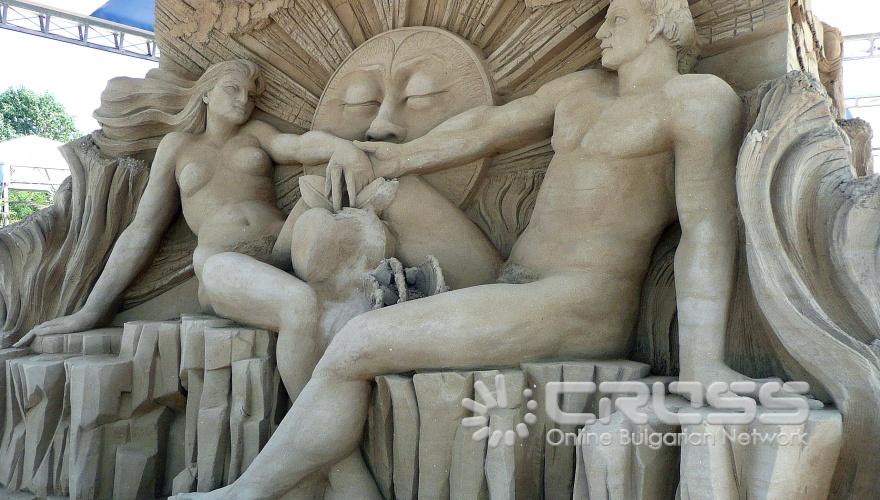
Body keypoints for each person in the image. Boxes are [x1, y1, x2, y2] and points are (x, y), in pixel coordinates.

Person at [175, 0, 758, 497]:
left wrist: (703, 361)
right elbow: (485, 126)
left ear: (659, 21)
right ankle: (302, 297)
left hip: (579, 301)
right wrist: (392, 158)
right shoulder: (581, 89)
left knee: (358, 342)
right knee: (389, 187)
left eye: (617, 18)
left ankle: (251, 492)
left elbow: (707, 230)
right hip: (512, 278)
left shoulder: (696, 100)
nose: (600, 30)